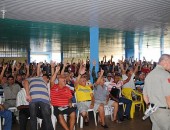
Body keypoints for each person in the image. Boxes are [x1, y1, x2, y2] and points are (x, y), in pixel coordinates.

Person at [143, 54, 170, 130]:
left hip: (153, 110)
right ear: (165, 61)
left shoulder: (149, 75)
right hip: (164, 112)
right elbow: (168, 96)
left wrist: (149, 105)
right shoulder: (166, 75)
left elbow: (145, 95)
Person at [24, 62, 54, 130]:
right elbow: (25, 82)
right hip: (33, 98)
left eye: (46, 77)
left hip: (44, 99)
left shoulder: (45, 81)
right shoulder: (31, 79)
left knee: (47, 117)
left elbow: (40, 73)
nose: (44, 77)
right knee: (33, 117)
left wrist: (39, 66)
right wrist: (28, 94)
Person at [50, 66, 76, 130]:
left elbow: (70, 97)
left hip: (66, 105)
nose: (65, 82)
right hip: (57, 106)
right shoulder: (54, 87)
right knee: (60, 116)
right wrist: (56, 71)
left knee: (73, 113)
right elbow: (51, 81)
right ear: (59, 81)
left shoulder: (67, 88)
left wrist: (70, 101)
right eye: (64, 81)